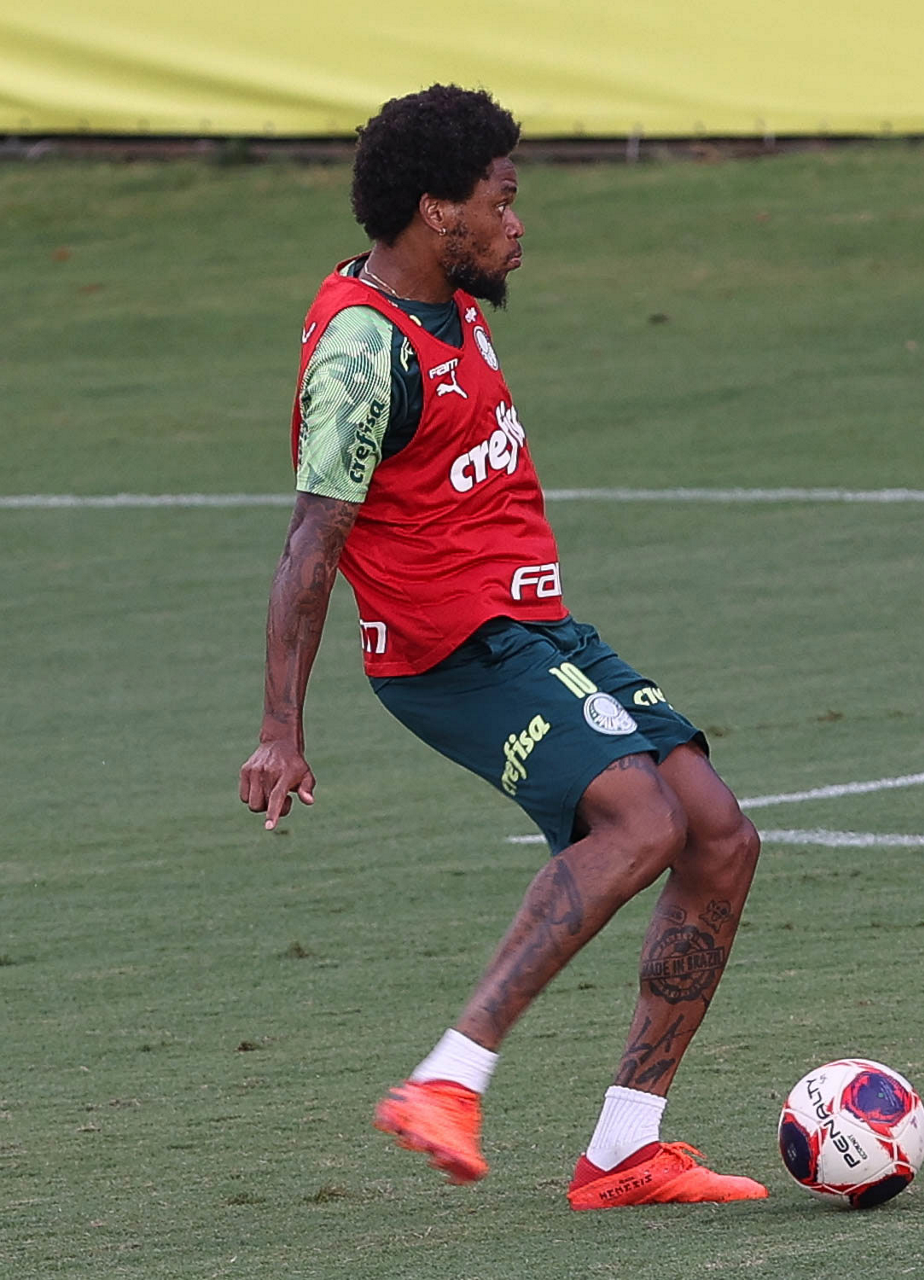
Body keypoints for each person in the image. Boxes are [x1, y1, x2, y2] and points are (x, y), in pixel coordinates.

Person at [239, 84, 767, 1209]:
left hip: (535, 625)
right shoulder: (361, 353)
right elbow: (309, 544)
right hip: (451, 648)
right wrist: (281, 729)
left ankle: (624, 1150)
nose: (516, 224)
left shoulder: (451, 303)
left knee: (719, 835)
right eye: (500, 200)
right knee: (644, 819)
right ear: (436, 210)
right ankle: (448, 1077)